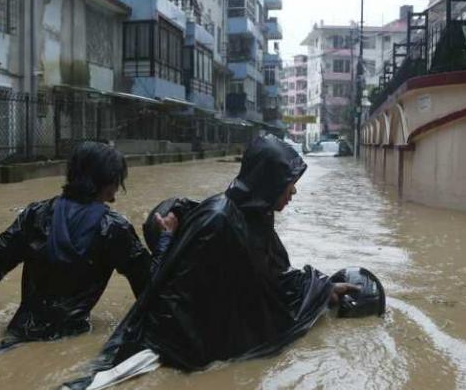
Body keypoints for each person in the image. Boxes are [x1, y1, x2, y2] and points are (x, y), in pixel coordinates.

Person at [63, 135, 359, 389]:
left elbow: (274, 277)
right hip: (178, 341)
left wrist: (322, 289)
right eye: (289, 184)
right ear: (268, 182)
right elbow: (172, 293)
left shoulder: (258, 217)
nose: (293, 191)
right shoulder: (217, 221)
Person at [0, 142, 177, 360]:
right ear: (108, 183)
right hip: (71, 341)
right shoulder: (114, 228)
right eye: (117, 181)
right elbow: (150, 288)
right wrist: (166, 238)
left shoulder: (36, 215)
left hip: (17, 334)